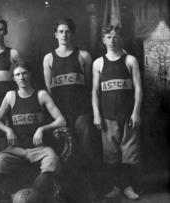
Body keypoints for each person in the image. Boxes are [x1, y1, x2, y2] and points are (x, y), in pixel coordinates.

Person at [0, 61, 66, 201]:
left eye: (24, 73)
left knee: (53, 161)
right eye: (17, 74)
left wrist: (42, 128)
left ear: (30, 74)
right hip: (16, 148)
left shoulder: (41, 95)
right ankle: (14, 196)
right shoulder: (11, 96)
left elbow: (61, 120)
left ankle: (32, 195)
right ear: (13, 78)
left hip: (39, 148)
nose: (21, 77)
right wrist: (8, 129)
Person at [43, 18, 95, 202]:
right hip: (60, 115)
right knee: (62, 152)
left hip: (81, 111)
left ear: (73, 34)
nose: (64, 35)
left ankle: (87, 191)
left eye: (67, 31)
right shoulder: (49, 58)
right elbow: (49, 89)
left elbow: (88, 84)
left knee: (85, 149)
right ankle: (62, 193)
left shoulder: (84, 56)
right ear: (55, 34)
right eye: (61, 31)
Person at [92, 25, 142, 200]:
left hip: (128, 115)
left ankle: (128, 187)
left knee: (129, 155)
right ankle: (116, 187)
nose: (112, 41)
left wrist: (136, 112)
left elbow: (138, 88)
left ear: (120, 38)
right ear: (103, 40)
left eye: (115, 37)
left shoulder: (130, 60)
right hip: (108, 116)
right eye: (108, 37)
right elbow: (94, 91)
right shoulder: (98, 63)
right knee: (111, 155)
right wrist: (96, 114)